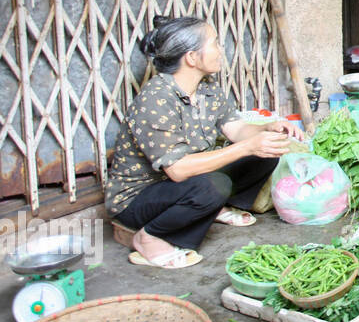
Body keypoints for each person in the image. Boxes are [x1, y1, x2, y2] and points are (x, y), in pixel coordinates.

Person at [106, 16, 304, 269]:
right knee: (213, 184)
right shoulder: (156, 98)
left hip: (187, 183)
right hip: (138, 198)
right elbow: (177, 170)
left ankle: (213, 208)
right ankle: (150, 236)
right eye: (215, 44)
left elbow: (236, 129)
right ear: (191, 57)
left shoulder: (207, 87)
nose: (221, 50)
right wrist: (246, 146)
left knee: (264, 154)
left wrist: (268, 127)